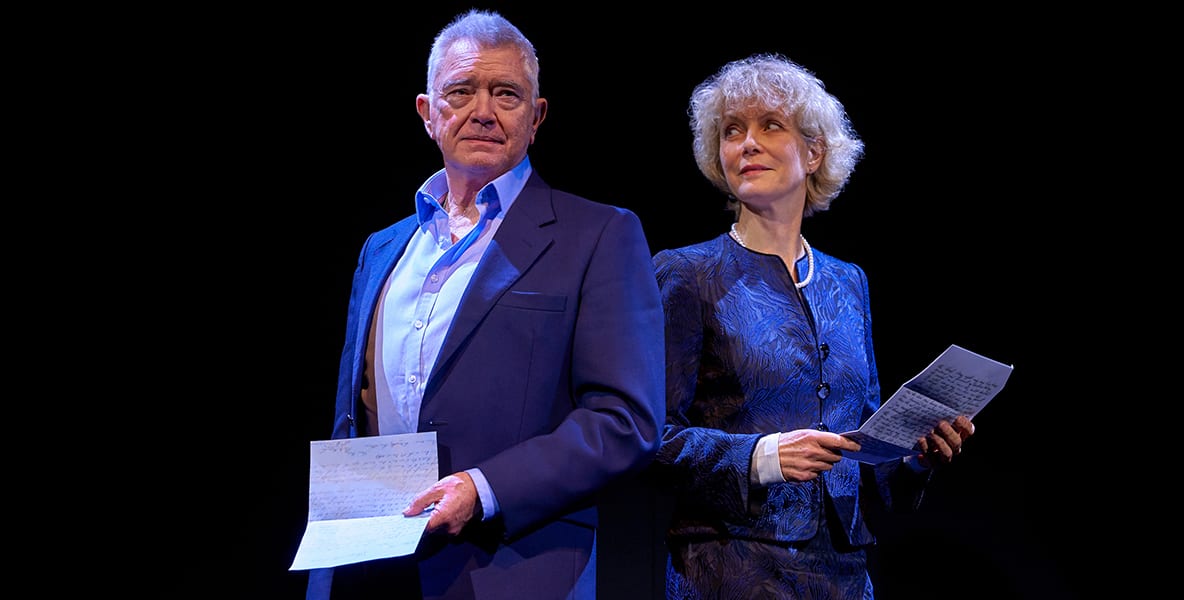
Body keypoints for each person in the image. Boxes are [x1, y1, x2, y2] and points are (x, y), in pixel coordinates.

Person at [305, 9, 665, 599]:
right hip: (365, 568)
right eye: (461, 91)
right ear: (427, 113)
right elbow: (357, 414)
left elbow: (625, 422)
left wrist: (484, 487)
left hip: (512, 569)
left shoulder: (599, 235)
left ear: (537, 115)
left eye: (507, 94)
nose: (483, 112)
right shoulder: (383, 247)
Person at [649, 53, 977, 599]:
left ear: (814, 151)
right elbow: (648, 439)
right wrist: (763, 457)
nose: (747, 143)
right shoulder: (687, 275)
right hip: (732, 569)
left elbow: (862, 452)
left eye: (769, 125)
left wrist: (916, 456)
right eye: (732, 131)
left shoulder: (848, 282)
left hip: (844, 575)